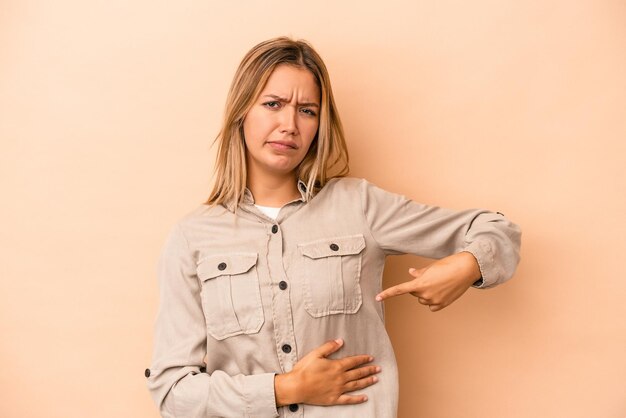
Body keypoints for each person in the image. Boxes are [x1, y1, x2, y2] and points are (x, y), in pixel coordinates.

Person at [146, 36, 521, 418]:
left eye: (307, 111)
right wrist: (285, 388)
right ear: (242, 112)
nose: (289, 125)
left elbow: (497, 229)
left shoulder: (359, 206)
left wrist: (468, 265)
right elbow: (172, 392)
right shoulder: (192, 237)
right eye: (273, 104)